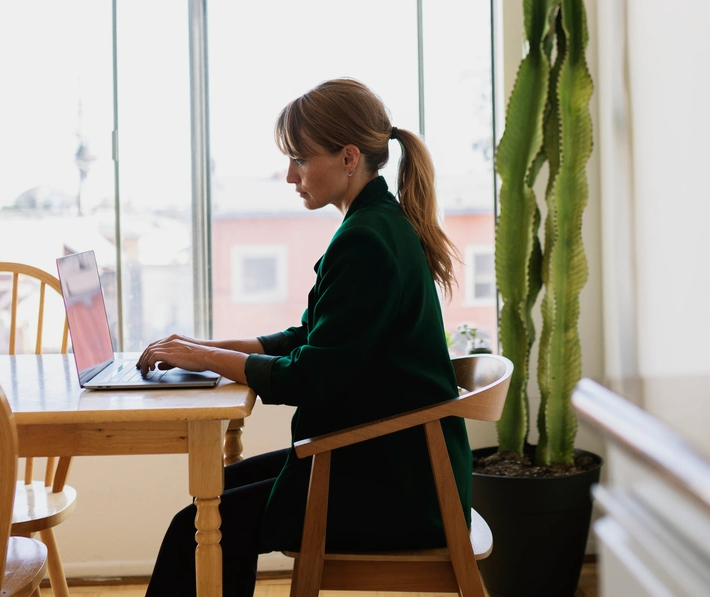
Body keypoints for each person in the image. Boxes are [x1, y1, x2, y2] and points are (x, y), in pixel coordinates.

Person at [137, 78, 472, 597]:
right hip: (384, 462)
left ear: (348, 157)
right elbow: (313, 337)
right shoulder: (376, 224)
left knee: (200, 526)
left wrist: (201, 355)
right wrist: (211, 350)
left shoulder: (365, 240)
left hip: (395, 486)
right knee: (211, 502)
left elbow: (313, 378)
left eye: (300, 159)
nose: (290, 175)